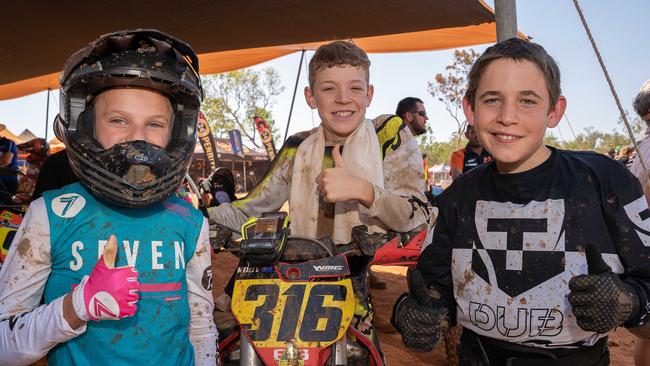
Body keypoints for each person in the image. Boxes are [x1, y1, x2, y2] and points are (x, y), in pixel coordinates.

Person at [391, 38, 650, 365]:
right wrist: (414, 311)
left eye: (527, 100)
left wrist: (629, 302)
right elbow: (435, 292)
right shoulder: (459, 196)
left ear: (554, 110)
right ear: (470, 109)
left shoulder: (604, 181)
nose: (507, 117)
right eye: (492, 100)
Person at [0, 29, 217, 365]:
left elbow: (201, 327)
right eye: (118, 120)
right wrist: (77, 306)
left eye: (155, 124)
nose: (138, 138)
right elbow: (5, 345)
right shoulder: (52, 216)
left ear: (177, 131)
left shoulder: (190, 222)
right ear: (85, 124)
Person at [210, 40, 428, 350]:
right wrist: (201, 220)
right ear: (311, 98)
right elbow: (252, 208)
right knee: (235, 340)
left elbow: (416, 213)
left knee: (361, 352)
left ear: (369, 95)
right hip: (290, 281)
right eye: (329, 89)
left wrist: (365, 191)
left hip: (351, 285)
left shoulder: (387, 134)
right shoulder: (298, 147)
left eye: (355, 88)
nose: (343, 99)